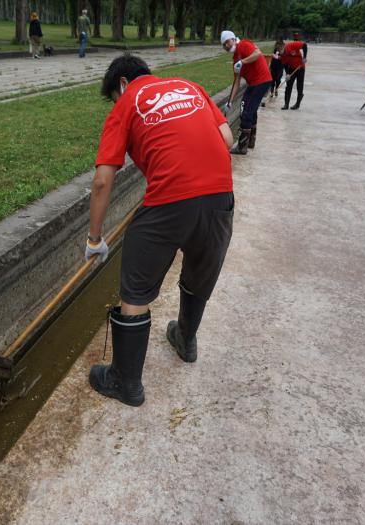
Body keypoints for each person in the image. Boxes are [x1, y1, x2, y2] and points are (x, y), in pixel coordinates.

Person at [84, 54, 235, 407]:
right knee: (200, 271)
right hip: (220, 196)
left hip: (169, 201)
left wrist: (94, 239)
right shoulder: (191, 87)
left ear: (122, 84)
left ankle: (126, 382)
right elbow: (226, 138)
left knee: (136, 288)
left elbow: (103, 182)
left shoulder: (126, 104)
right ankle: (185, 340)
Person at [220, 30, 273, 155]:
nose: (226, 46)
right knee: (250, 110)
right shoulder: (235, 59)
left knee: (246, 110)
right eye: (224, 45)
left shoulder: (243, 45)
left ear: (233, 39)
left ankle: (242, 145)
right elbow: (236, 82)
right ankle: (250, 141)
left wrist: (243, 61)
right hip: (254, 84)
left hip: (261, 81)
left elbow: (257, 53)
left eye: (227, 42)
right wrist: (230, 102)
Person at [280, 37, 307, 110]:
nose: (282, 54)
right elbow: (285, 64)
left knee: (299, 86)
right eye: (280, 53)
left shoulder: (291, 45)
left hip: (300, 67)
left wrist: (304, 57)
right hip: (291, 69)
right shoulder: (281, 55)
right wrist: (287, 74)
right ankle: (286, 104)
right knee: (288, 86)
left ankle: (297, 104)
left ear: (284, 46)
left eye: (282, 51)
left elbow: (304, 45)